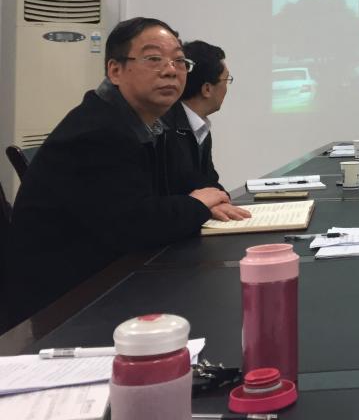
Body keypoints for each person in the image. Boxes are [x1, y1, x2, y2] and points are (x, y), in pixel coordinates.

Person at [6, 17, 250, 324]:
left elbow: (180, 188)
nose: (170, 70)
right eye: (153, 59)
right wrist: (197, 204)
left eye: (179, 61)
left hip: (111, 280)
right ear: (115, 70)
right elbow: (137, 224)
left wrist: (202, 199)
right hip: (63, 308)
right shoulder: (98, 131)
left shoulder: (149, 124)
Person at [162, 40, 231, 191]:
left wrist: (223, 198)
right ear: (207, 89)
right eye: (226, 80)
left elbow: (210, 182)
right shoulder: (164, 130)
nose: (227, 88)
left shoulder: (200, 128)